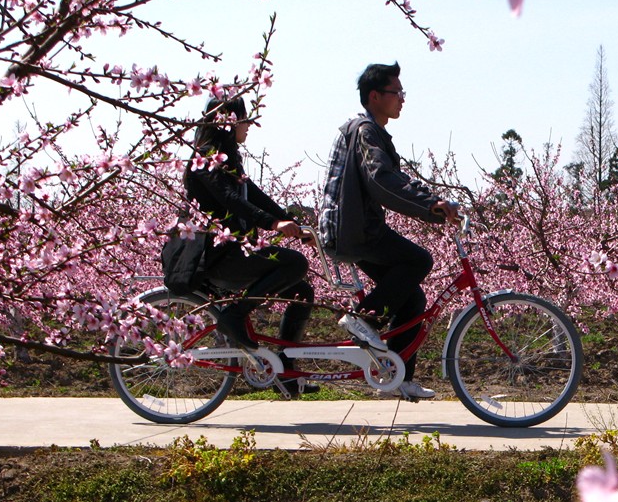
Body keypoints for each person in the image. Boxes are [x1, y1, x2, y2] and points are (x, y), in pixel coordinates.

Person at [318, 62, 460, 401]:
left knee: (412, 296)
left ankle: (397, 379)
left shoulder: (371, 132)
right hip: (353, 229)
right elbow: (382, 180)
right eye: (397, 93)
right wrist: (429, 206)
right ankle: (361, 319)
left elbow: (395, 180)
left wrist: (432, 201)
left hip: (356, 228)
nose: (402, 100)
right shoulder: (365, 131)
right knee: (419, 261)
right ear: (375, 96)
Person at [183, 95, 315, 397]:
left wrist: (289, 222)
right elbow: (231, 200)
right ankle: (234, 315)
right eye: (244, 119)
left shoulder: (229, 159)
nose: (249, 126)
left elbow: (253, 196)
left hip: (237, 252)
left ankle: (287, 372)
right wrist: (272, 224)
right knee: (295, 264)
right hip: (219, 256)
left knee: (301, 292)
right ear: (228, 123)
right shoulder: (205, 158)